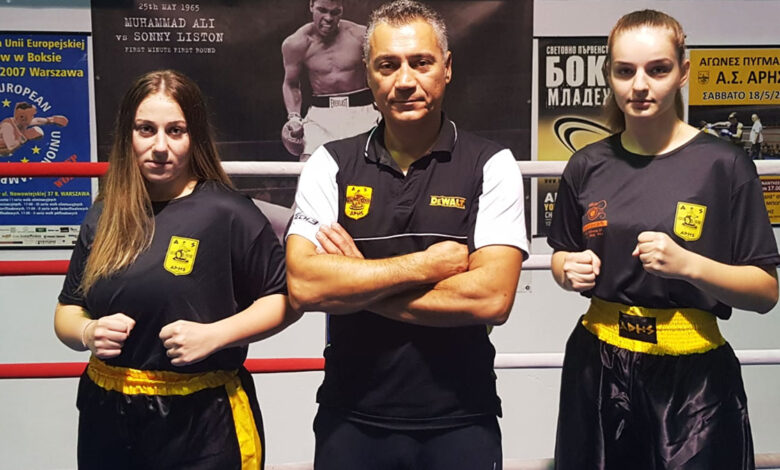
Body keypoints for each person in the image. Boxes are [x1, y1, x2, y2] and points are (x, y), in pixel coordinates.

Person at [285, 1, 528, 468]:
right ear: (368, 75)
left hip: (461, 419)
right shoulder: (330, 163)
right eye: (387, 65)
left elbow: (491, 298)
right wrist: (426, 266)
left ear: (447, 68)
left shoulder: (491, 164)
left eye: (421, 62)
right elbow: (305, 285)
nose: (404, 80)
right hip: (350, 417)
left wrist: (357, 282)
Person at [548, 10, 780, 470]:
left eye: (657, 69)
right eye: (625, 71)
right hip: (598, 363)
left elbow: (766, 292)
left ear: (683, 72)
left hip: (692, 377)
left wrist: (689, 265)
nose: (640, 85)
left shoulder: (725, 165)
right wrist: (565, 270)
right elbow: (561, 255)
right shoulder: (586, 164)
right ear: (609, 75)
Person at [54, 70, 300, 469]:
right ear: (128, 136)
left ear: (194, 137)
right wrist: (88, 331)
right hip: (108, 412)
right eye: (146, 129)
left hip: (202, 420)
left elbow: (284, 300)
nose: (160, 147)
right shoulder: (104, 214)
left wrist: (216, 335)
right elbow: (68, 309)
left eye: (175, 131)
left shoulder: (228, 212)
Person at [281, 0, 380, 161]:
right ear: (311, 5)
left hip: (362, 113)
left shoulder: (361, 36)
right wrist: (293, 117)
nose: (328, 18)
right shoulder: (296, 43)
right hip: (320, 117)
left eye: (335, 12)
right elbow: (291, 84)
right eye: (322, 10)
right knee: (309, 166)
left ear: (342, 10)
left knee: (369, 168)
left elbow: (383, 73)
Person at [0, 102, 68, 156]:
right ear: (22, 117)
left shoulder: (21, 122)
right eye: (32, 115)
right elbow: (11, 147)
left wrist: (51, 120)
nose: (33, 117)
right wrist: (26, 136)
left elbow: (37, 121)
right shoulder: (7, 126)